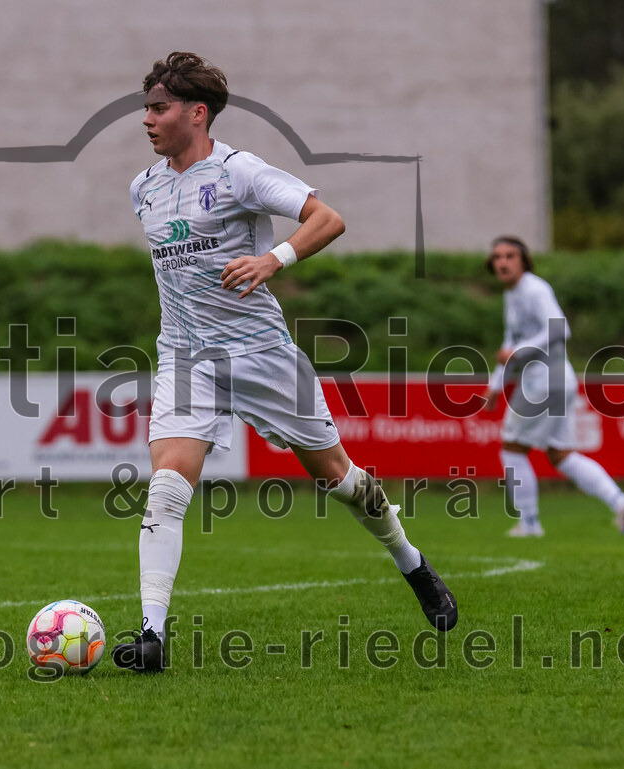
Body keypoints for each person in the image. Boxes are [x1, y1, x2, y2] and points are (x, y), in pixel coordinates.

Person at [111, 52, 457, 674]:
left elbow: (328, 219)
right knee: (165, 489)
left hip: (261, 354)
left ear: (197, 112)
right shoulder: (145, 187)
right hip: (185, 357)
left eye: (159, 108)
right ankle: (151, 637)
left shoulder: (241, 171)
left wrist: (274, 260)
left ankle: (413, 564)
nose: (147, 119)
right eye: (146, 108)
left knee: (340, 480)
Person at [484, 235, 624, 538]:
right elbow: (510, 341)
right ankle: (622, 503)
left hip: (542, 382)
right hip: (557, 380)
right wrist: (496, 384)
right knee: (561, 455)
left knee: (512, 449)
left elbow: (560, 328)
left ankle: (529, 524)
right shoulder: (513, 294)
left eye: (509, 256)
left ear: (523, 260)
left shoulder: (534, 288)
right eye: (497, 257)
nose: (502, 262)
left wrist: (519, 352)